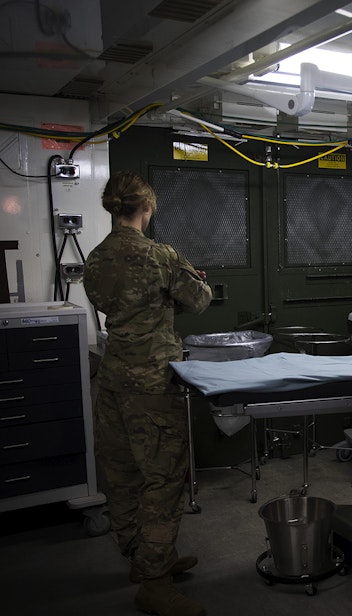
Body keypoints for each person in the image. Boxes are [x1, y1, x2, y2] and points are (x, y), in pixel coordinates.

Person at [85, 171, 212, 616]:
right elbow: (199, 299)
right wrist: (187, 285)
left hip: (113, 376)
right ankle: (154, 583)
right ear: (147, 207)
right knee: (163, 478)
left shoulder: (96, 259)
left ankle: (143, 556)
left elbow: (111, 303)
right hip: (152, 385)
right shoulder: (160, 255)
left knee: (121, 475)